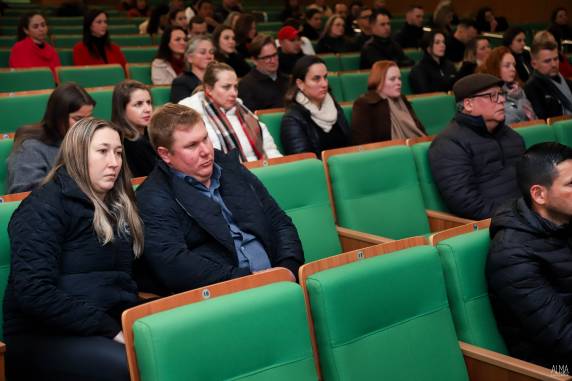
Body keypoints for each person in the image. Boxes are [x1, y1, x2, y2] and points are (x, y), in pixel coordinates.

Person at [4, 118, 144, 380]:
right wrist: (108, 328)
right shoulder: (42, 207)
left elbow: (120, 277)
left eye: (118, 153)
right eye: (102, 151)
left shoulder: (117, 205)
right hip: (43, 335)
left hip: (106, 324)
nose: (114, 162)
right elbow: (34, 292)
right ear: (77, 154)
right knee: (130, 368)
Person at [135, 103, 303, 293]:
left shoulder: (230, 167)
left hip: (282, 282)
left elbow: (279, 221)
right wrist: (247, 281)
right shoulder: (152, 197)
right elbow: (174, 264)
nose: (206, 151)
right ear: (165, 154)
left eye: (205, 139)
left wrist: (289, 267)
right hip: (225, 298)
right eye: (191, 146)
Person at [487, 142, 572, 369]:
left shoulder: (564, 220)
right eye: (571, 184)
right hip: (553, 368)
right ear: (539, 195)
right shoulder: (511, 254)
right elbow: (563, 338)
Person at [429, 73, 525, 220]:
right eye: (492, 96)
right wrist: (517, 217)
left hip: (527, 215)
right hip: (496, 225)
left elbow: (530, 180)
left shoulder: (512, 136)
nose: (501, 100)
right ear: (468, 104)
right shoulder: (448, 143)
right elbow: (467, 204)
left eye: (501, 94)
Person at [179, 61, 281, 161]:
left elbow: (270, 151)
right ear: (209, 89)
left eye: (235, 87)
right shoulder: (192, 116)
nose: (234, 93)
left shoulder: (245, 113)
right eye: (226, 87)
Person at [8, 83, 95, 194]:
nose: (85, 124)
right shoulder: (30, 148)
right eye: (78, 118)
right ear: (58, 116)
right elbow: (24, 193)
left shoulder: (86, 141)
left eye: (89, 117)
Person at [281, 55, 351, 156]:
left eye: (325, 77)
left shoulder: (335, 108)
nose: (324, 84)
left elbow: (350, 147)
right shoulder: (292, 119)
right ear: (300, 84)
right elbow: (305, 164)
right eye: (316, 79)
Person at [352, 60, 426, 144]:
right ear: (378, 81)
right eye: (392, 79)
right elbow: (361, 144)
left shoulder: (402, 100)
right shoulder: (364, 104)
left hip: (414, 147)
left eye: (399, 78)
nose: (399, 83)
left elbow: (420, 130)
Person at [477, 46, 536, 125]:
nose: (513, 69)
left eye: (514, 65)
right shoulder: (489, 95)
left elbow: (534, 117)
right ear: (496, 68)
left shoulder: (519, 90)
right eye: (507, 66)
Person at [112, 80, 157, 178]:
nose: (148, 109)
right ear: (122, 110)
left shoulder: (150, 135)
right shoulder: (130, 143)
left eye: (149, 103)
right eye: (139, 104)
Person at [237, 34, 289, 112]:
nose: (273, 60)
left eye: (274, 55)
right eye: (267, 57)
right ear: (254, 60)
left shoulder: (287, 80)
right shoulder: (246, 85)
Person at [524, 39, 572, 120]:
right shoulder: (532, 87)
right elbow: (544, 120)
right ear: (534, 64)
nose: (554, 64)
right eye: (547, 61)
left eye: (556, 59)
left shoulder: (566, 81)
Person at [9, 12, 61, 77]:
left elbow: (58, 77)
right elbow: (21, 77)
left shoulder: (51, 50)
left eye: (43, 25)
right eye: (35, 27)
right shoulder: (18, 49)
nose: (41, 29)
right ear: (26, 30)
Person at [409, 30, 457, 94]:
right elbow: (424, 94)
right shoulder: (419, 69)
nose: (443, 45)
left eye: (443, 42)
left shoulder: (449, 65)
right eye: (437, 42)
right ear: (428, 48)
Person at [170, 35, 215, 103]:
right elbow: (182, 111)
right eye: (202, 52)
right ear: (190, 58)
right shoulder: (180, 82)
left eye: (211, 52)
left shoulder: (217, 79)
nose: (209, 56)